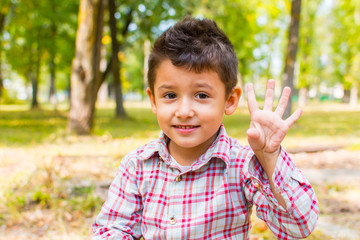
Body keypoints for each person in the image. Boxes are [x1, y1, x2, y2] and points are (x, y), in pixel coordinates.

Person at [92, 17, 319, 240]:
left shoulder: (243, 165)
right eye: (170, 95)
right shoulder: (138, 165)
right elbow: (112, 228)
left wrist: (270, 158)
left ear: (229, 100)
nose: (184, 111)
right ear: (153, 100)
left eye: (201, 95)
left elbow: (299, 226)